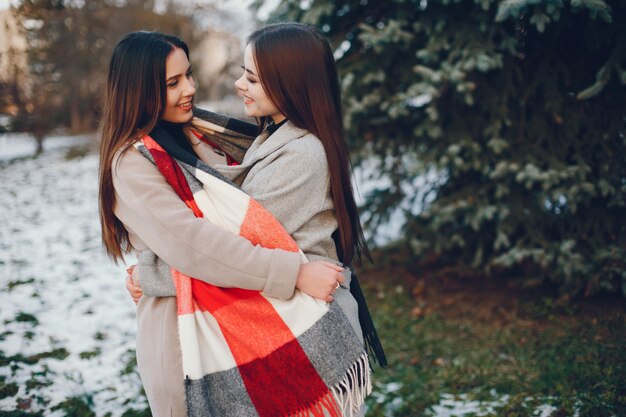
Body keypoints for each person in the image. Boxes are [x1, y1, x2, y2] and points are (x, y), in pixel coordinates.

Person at [99, 30, 363, 417]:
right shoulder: (133, 162)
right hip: (189, 343)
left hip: (263, 328)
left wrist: (151, 274)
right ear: (140, 91)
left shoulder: (203, 138)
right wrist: (294, 272)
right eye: (174, 82)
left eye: (188, 75)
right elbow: (201, 246)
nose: (190, 88)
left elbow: (226, 237)